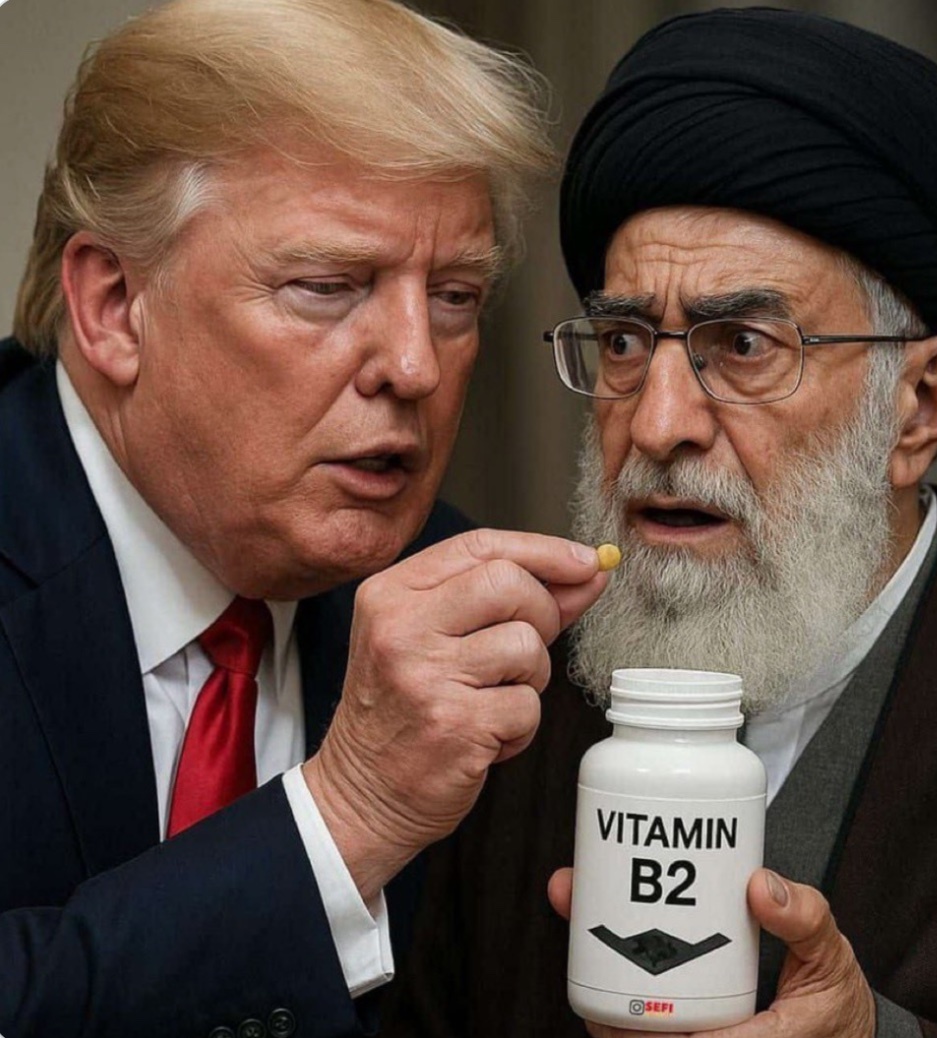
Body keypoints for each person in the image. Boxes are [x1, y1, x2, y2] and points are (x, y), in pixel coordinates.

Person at [380, 9, 937, 1038]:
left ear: (921, 405)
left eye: (743, 345)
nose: (657, 423)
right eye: (624, 342)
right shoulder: (518, 689)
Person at [0, 1, 611, 1035]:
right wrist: (344, 818)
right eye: (328, 286)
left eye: (455, 297)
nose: (414, 366)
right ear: (113, 306)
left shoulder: (478, 624)